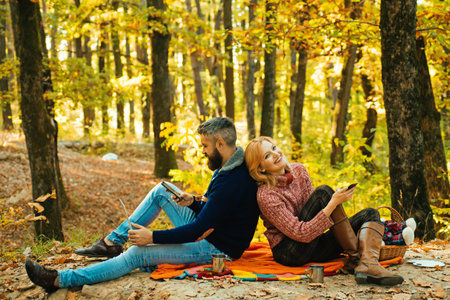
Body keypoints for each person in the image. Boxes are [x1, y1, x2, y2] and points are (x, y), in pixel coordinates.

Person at [25, 117, 259, 293]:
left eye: (205, 146)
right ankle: (112, 242)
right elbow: (217, 212)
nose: (204, 151)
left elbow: (198, 230)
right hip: (211, 231)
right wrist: (194, 202)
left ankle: (59, 279)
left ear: (220, 144)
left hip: (217, 249)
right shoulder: (230, 166)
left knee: (137, 253)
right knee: (161, 190)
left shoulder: (232, 181)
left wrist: (152, 237)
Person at [244, 136, 404, 286]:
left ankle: (368, 265)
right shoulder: (266, 195)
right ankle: (357, 259)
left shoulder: (298, 170)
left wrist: (333, 203)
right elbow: (301, 233)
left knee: (370, 214)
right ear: (261, 169)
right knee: (324, 193)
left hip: (313, 242)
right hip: (290, 252)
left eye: (274, 147)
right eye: (267, 156)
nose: (275, 153)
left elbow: (314, 216)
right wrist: (333, 202)